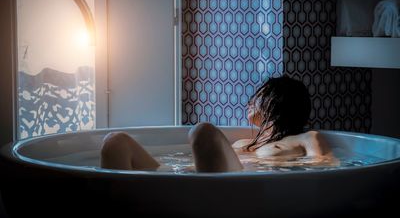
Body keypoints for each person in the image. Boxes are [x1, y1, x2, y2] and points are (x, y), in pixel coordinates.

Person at [100, 76, 337, 172]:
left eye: (258, 97)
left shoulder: (307, 138)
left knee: (203, 131)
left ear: (275, 102)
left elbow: (326, 167)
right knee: (116, 143)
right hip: (185, 177)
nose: (250, 102)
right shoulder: (242, 142)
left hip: (237, 193)